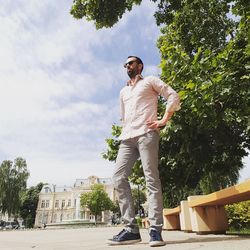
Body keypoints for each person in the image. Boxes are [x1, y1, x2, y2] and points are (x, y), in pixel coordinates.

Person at [107, 56, 180, 247]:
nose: (127, 66)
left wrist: (163, 120)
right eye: (125, 64)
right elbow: (124, 117)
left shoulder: (150, 81)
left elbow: (173, 95)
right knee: (118, 177)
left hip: (147, 134)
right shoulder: (123, 91)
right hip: (127, 137)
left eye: (130, 63)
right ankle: (131, 229)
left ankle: (155, 230)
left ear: (139, 66)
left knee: (151, 179)